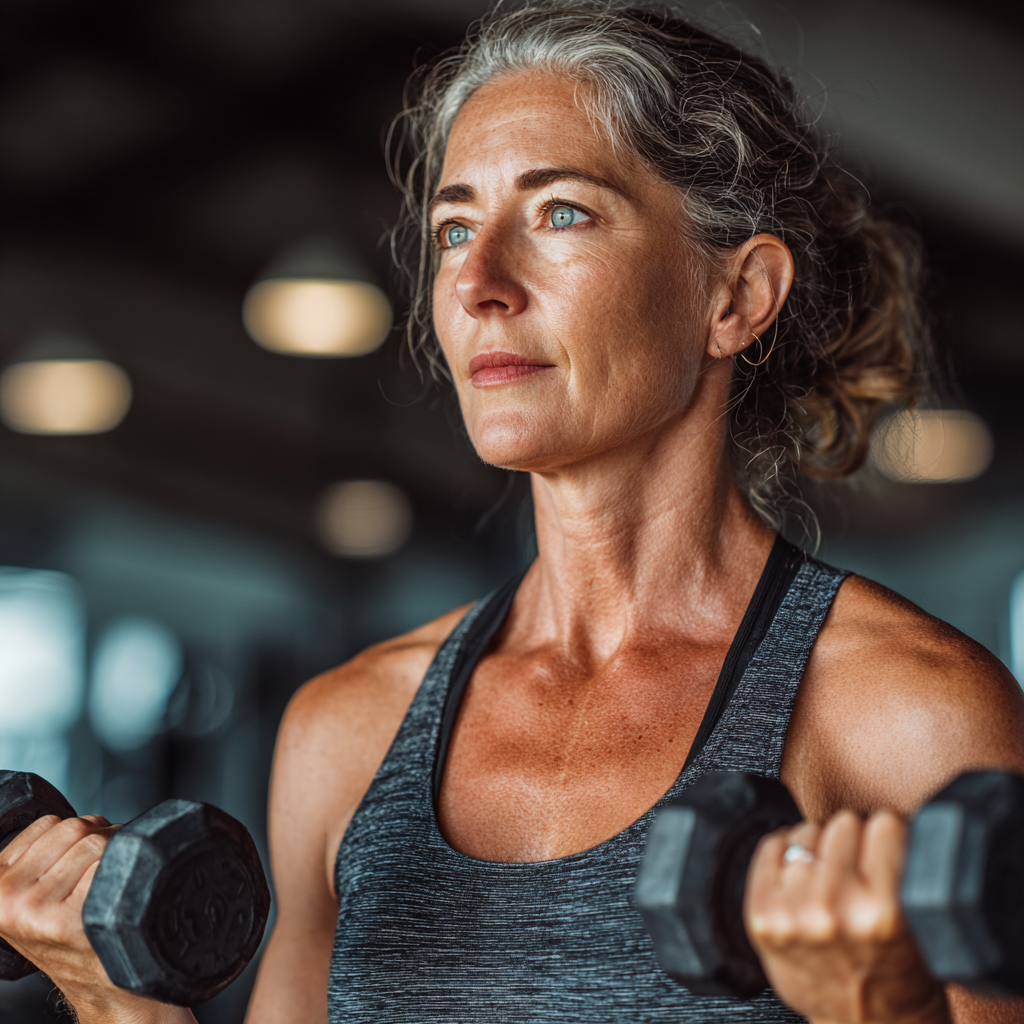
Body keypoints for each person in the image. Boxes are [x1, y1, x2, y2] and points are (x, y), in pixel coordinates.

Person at [1, 4, 1022, 1023]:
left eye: (560, 212)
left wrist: (885, 1007)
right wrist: (113, 999)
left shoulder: (908, 717)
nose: (478, 282)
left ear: (736, 293)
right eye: (453, 228)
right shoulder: (347, 727)